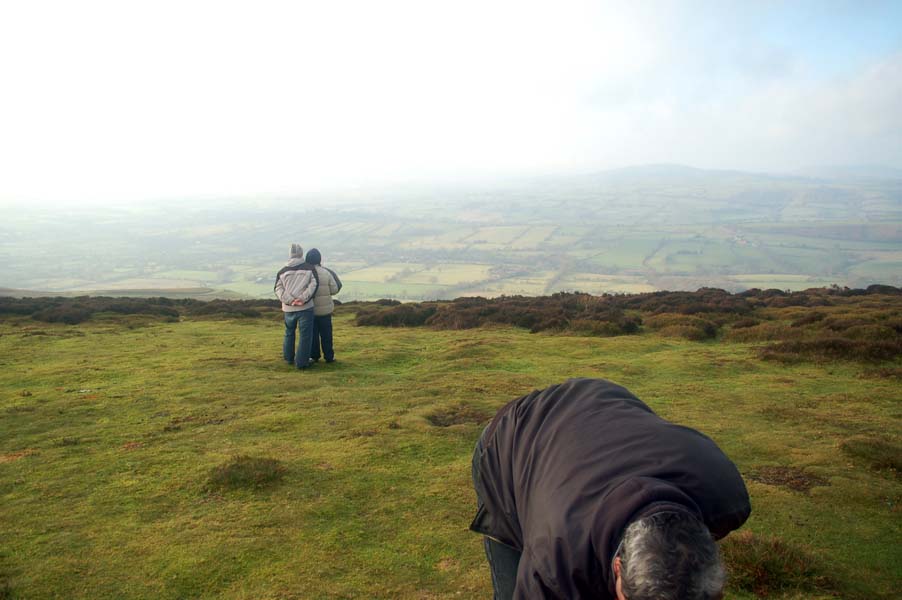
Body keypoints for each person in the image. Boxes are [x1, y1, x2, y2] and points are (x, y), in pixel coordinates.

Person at [470, 378, 751, 600]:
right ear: (618, 567)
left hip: (601, 409)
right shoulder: (554, 562)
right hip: (512, 440)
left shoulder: (725, 496)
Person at [274, 243, 319, 369]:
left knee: (289, 332)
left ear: (290, 254)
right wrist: (302, 299)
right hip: (305, 308)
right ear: (301, 254)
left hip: (288, 309)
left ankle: (288, 358)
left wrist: (290, 301)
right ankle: (302, 362)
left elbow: (278, 289)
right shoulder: (310, 268)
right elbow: (314, 285)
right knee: (305, 335)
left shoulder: (282, 271)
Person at [304, 248, 342, 363]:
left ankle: (314, 356)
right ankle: (329, 357)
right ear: (319, 259)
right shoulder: (326, 272)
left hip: (311, 310)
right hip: (326, 311)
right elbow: (335, 289)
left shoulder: (306, 273)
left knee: (313, 334)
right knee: (327, 335)